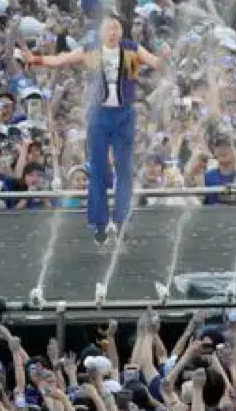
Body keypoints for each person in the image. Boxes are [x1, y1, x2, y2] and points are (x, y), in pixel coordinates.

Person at [23, 14, 166, 245]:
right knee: (98, 169)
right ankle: (99, 223)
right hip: (99, 115)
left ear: (122, 30)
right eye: (108, 28)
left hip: (124, 114)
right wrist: (37, 59)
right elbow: (62, 59)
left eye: (117, 27)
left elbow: (157, 63)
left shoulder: (132, 49)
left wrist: (166, 56)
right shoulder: (91, 50)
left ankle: (121, 220)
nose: (112, 32)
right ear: (100, 31)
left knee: (125, 170)